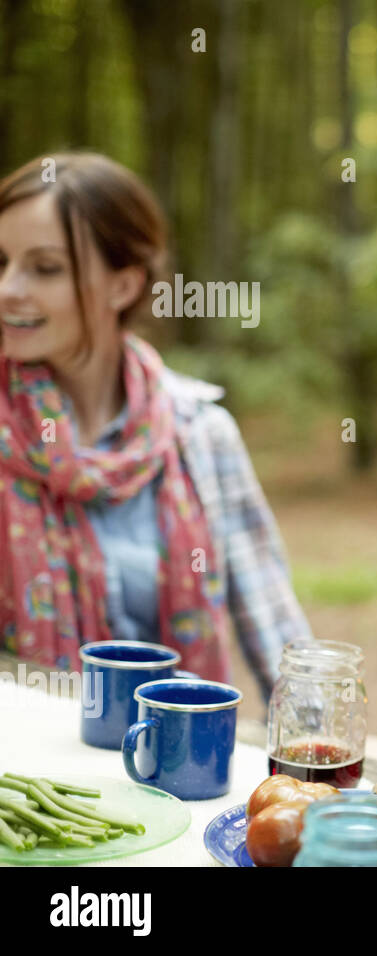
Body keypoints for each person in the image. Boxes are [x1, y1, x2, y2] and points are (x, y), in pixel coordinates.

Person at [0, 152, 312, 701]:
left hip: (178, 769)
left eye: (43, 268)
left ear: (123, 285)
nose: (7, 289)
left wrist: (321, 765)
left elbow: (277, 633)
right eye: (1, 263)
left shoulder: (198, 433)